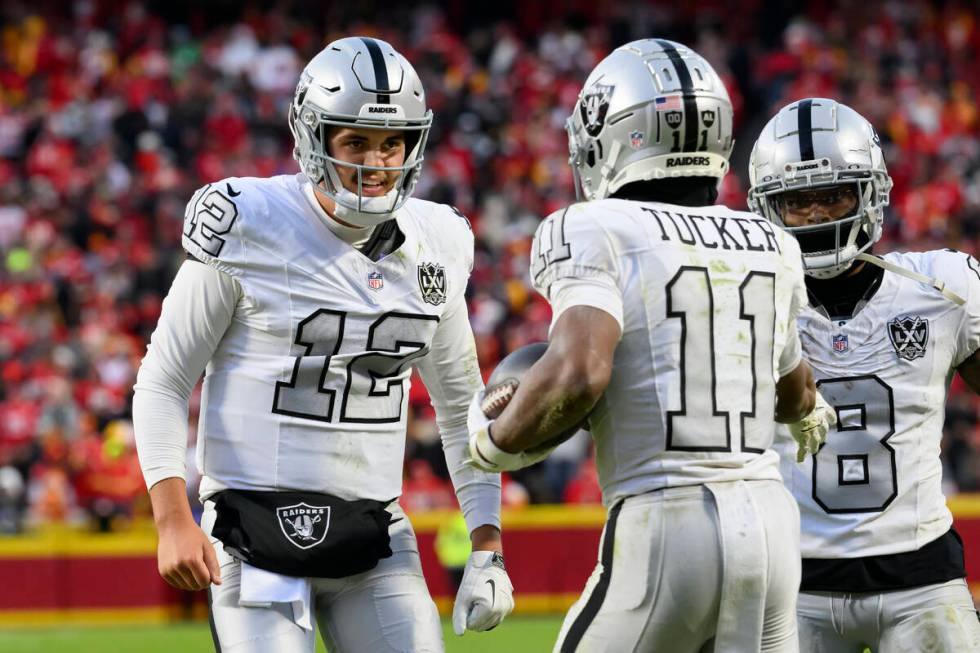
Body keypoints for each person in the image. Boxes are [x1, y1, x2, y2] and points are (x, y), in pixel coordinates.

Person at [132, 37, 513, 653]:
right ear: (314, 139)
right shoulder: (248, 221)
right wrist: (173, 517)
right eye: (355, 141)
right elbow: (164, 379)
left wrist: (488, 544)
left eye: (392, 143)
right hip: (251, 531)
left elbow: (462, 408)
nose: (377, 161)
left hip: (375, 533)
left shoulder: (438, 242)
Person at [467, 39, 833, 652]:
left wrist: (495, 442)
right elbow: (793, 392)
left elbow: (580, 370)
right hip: (772, 525)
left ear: (621, 134)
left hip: (667, 517)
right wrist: (810, 413)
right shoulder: (771, 241)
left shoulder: (590, 227)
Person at [748, 98, 980, 652]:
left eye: (833, 194)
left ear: (870, 192)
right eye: (795, 200)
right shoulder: (750, 301)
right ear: (766, 208)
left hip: (922, 574)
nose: (814, 214)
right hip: (793, 581)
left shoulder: (941, 287)